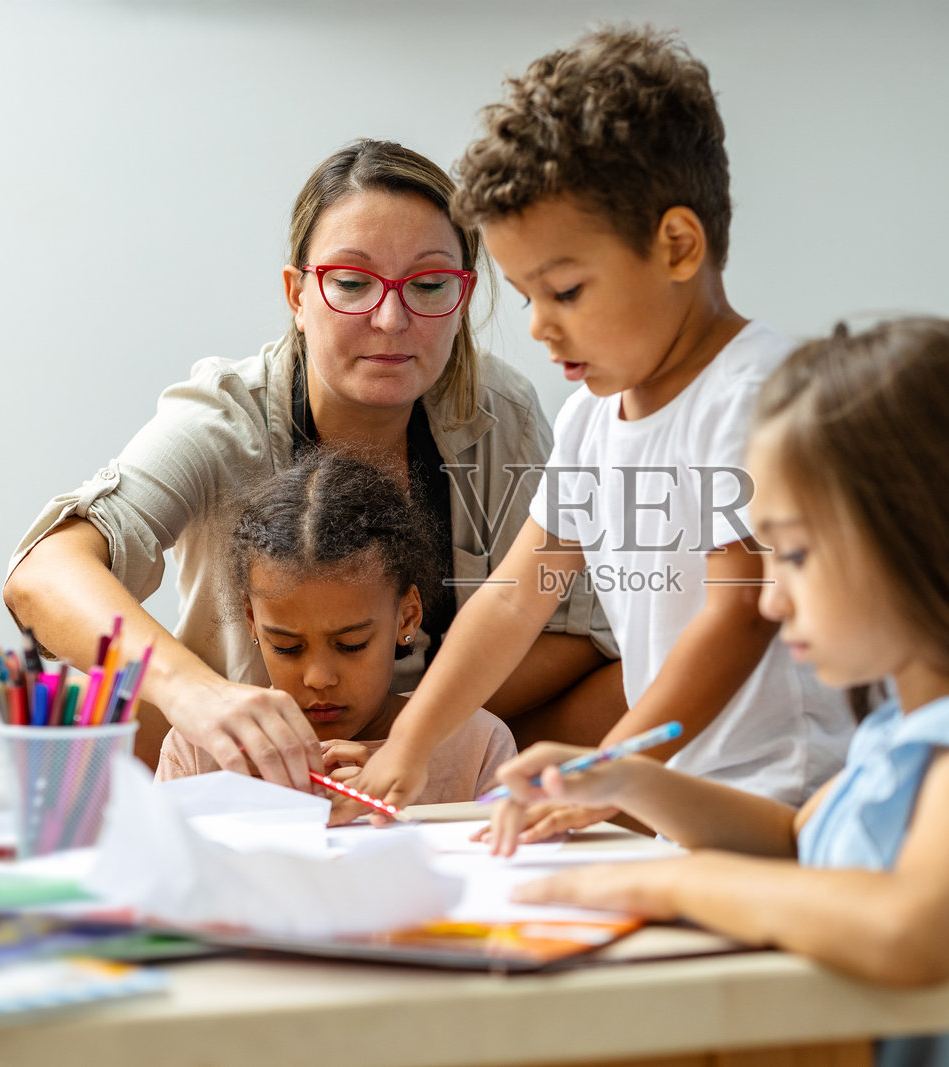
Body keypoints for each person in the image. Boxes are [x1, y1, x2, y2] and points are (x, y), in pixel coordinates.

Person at [488, 319, 949, 1066]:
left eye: (792, 553)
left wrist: (678, 886)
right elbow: (795, 841)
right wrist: (630, 780)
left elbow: (910, 930)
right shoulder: (902, 731)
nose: (769, 600)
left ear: (919, 538)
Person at [345, 27, 854, 826]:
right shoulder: (590, 416)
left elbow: (738, 613)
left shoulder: (755, 394)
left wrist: (610, 771)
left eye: (568, 291)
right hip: (664, 794)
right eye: (526, 297)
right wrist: (408, 743)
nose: (541, 327)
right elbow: (515, 599)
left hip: (773, 790)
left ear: (678, 245)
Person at [3, 139, 617, 792]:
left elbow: (580, 626)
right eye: (352, 283)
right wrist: (202, 697)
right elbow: (42, 573)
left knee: (637, 685)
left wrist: (408, 728)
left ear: (463, 296)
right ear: (298, 294)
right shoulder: (221, 417)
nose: (389, 318)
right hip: (242, 752)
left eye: (429, 284)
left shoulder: (501, 409)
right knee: (66, 710)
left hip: (444, 742)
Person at [155, 448, 515, 823]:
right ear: (251, 620)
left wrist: (396, 810)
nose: (319, 679)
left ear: (407, 617)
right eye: (287, 647)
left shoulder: (475, 745)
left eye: (351, 644)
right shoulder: (205, 748)